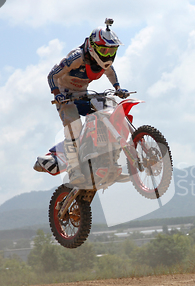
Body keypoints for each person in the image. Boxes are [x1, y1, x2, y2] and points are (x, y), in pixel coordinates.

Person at [47, 18, 129, 185]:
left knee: (111, 115)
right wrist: (57, 94)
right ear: (92, 46)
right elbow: (52, 75)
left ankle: (110, 163)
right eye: (104, 50)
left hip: (84, 94)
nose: (107, 55)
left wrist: (118, 88)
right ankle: (74, 169)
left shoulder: (103, 64)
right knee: (74, 126)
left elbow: (110, 73)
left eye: (111, 51)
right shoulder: (77, 57)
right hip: (66, 95)